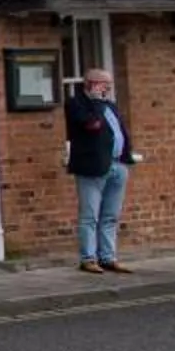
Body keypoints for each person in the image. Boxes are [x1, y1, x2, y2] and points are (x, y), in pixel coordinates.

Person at [64, 68, 141, 274]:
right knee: (90, 216)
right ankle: (88, 258)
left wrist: (127, 156)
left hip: (117, 164)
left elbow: (119, 132)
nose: (107, 88)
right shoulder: (77, 104)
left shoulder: (109, 105)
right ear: (89, 83)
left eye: (109, 84)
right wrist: (96, 101)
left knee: (110, 216)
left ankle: (108, 257)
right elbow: (92, 125)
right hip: (92, 167)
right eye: (103, 83)